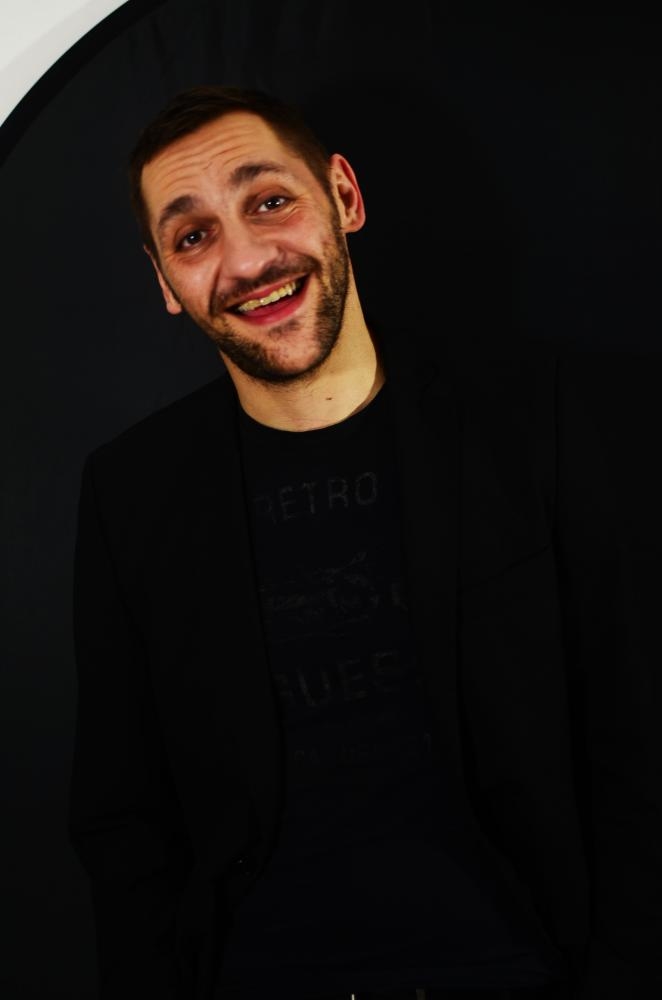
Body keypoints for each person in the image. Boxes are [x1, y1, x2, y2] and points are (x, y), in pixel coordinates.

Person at [68, 85, 662, 1000]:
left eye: (271, 201)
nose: (246, 261)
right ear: (164, 282)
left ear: (343, 196)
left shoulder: (544, 423)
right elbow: (123, 815)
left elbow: (639, 742)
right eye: (193, 237)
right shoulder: (129, 493)